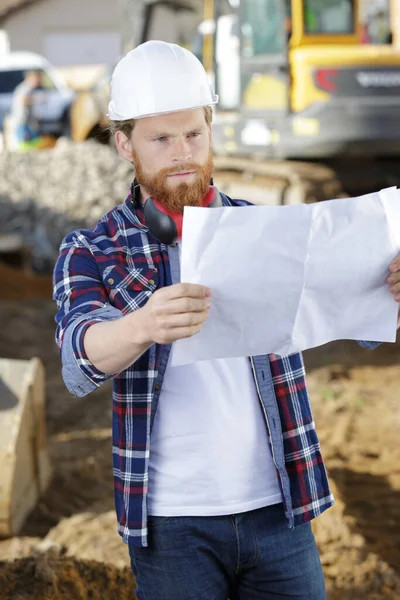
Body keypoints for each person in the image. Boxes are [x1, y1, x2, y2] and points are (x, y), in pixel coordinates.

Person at [53, 40, 400, 600]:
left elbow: (346, 311)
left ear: (211, 129)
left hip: (279, 511)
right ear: (124, 144)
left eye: (194, 133)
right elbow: (78, 359)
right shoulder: (93, 249)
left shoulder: (265, 231)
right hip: (171, 525)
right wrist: (144, 324)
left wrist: (388, 288)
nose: (182, 151)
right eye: (161, 138)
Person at [11, 69, 43, 150]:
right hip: (22, 122)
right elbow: (23, 99)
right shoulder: (25, 88)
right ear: (31, 77)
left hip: (27, 122)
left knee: (32, 145)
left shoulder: (29, 88)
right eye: (37, 78)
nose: (39, 81)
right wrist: (36, 99)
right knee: (25, 147)